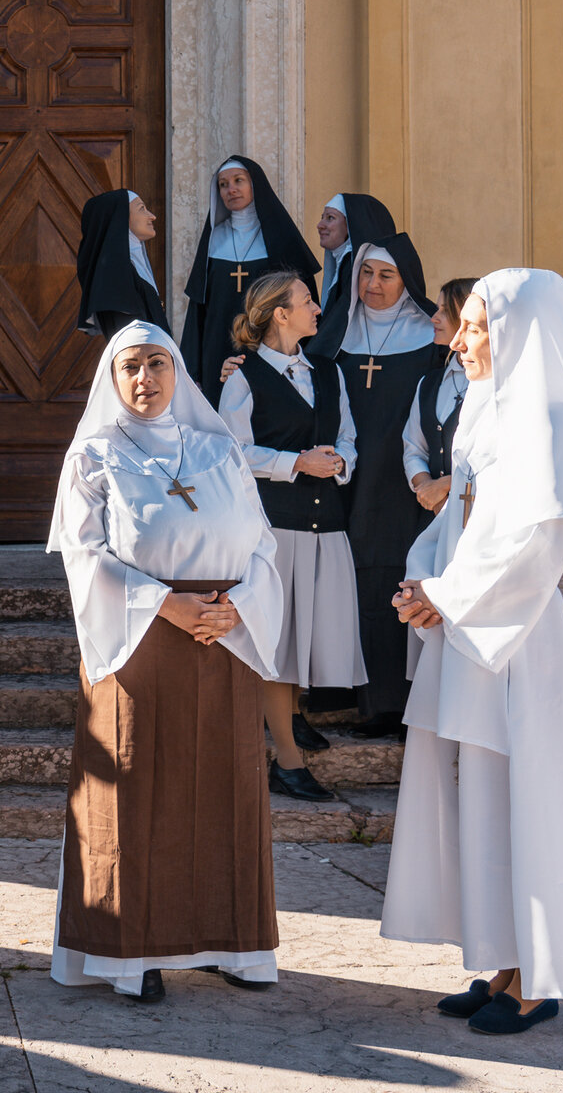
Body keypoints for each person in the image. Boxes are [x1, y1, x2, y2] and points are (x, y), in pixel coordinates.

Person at [383, 269, 563, 1034]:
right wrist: (422, 580)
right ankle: (500, 960)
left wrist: (447, 595)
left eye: (476, 326)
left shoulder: (547, 415)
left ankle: (539, 977)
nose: (462, 339)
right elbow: (460, 526)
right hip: (466, 621)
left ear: (518, 331)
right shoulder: (485, 409)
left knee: (522, 795)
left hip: (517, 632)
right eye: (466, 324)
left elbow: (534, 541)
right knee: (476, 794)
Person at [47, 321, 285, 1004]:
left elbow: (263, 545)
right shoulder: (92, 457)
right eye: (131, 367)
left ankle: (234, 944)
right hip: (139, 639)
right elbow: (84, 557)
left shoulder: (221, 453)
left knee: (227, 789)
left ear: (178, 372)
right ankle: (131, 953)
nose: (146, 378)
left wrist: (237, 606)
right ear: (112, 380)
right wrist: (164, 606)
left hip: (223, 635)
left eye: (158, 363)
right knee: (135, 793)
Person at [216, 274, 363, 802]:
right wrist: (295, 462)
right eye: (306, 301)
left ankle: (293, 717)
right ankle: (288, 759)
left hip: (328, 526)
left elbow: (347, 433)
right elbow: (231, 454)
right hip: (274, 528)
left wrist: (340, 460)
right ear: (281, 313)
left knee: (307, 632)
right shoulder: (243, 379)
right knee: (276, 643)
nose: (317, 308)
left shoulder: (328, 371)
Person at [328, 234, 438, 739]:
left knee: (398, 581)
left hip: (405, 485)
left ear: (406, 281)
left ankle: (400, 703)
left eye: (386, 275)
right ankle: (356, 699)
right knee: (350, 584)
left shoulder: (430, 339)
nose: (373, 284)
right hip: (344, 480)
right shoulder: (333, 333)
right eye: (366, 274)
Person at [178, 157, 317, 405]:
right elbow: (198, 310)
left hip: (269, 352)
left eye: (238, 181)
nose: (231, 189)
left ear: (256, 185)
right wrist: (192, 371)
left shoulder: (280, 239)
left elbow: (303, 304)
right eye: (223, 184)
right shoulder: (214, 240)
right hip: (216, 351)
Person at [403, 277, 476, 516]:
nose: (434, 318)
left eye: (445, 311)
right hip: (434, 516)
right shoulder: (429, 383)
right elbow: (414, 448)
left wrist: (444, 486)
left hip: (480, 516)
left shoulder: (495, 384)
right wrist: (428, 491)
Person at [308, 193, 397, 355]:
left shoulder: (354, 267)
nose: (320, 225)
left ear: (352, 225)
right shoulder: (345, 262)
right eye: (322, 218)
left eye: (330, 218)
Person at [73, 189, 168, 337]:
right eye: (142, 208)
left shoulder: (130, 267)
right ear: (121, 217)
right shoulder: (114, 278)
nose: (152, 216)